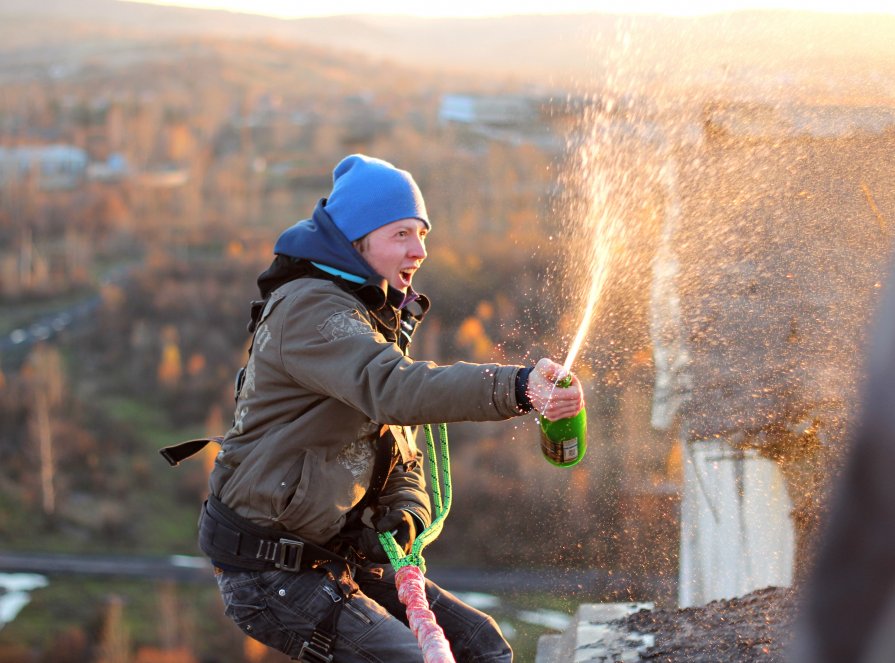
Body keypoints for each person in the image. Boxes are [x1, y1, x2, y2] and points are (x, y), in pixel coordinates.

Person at [191, 154, 584, 662]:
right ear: (357, 240)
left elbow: (400, 449)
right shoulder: (313, 310)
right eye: (402, 234)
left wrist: (408, 513)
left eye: (422, 235)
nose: (419, 251)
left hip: (333, 557)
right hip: (270, 574)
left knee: (481, 645)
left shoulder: (369, 316)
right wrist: (519, 387)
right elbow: (395, 391)